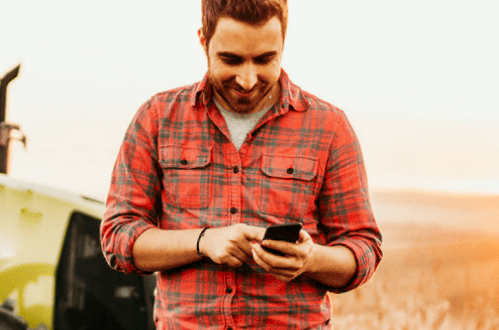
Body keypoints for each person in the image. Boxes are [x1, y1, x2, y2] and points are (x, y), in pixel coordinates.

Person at [100, 0, 382, 328]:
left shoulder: (330, 127)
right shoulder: (156, 118)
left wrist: (311, 259)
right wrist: (203, 241)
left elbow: (364, 249)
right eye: (230, 60)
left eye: (265, 59)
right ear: (203, 41)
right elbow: (118, 237)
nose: (247, 80)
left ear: (283, 44)